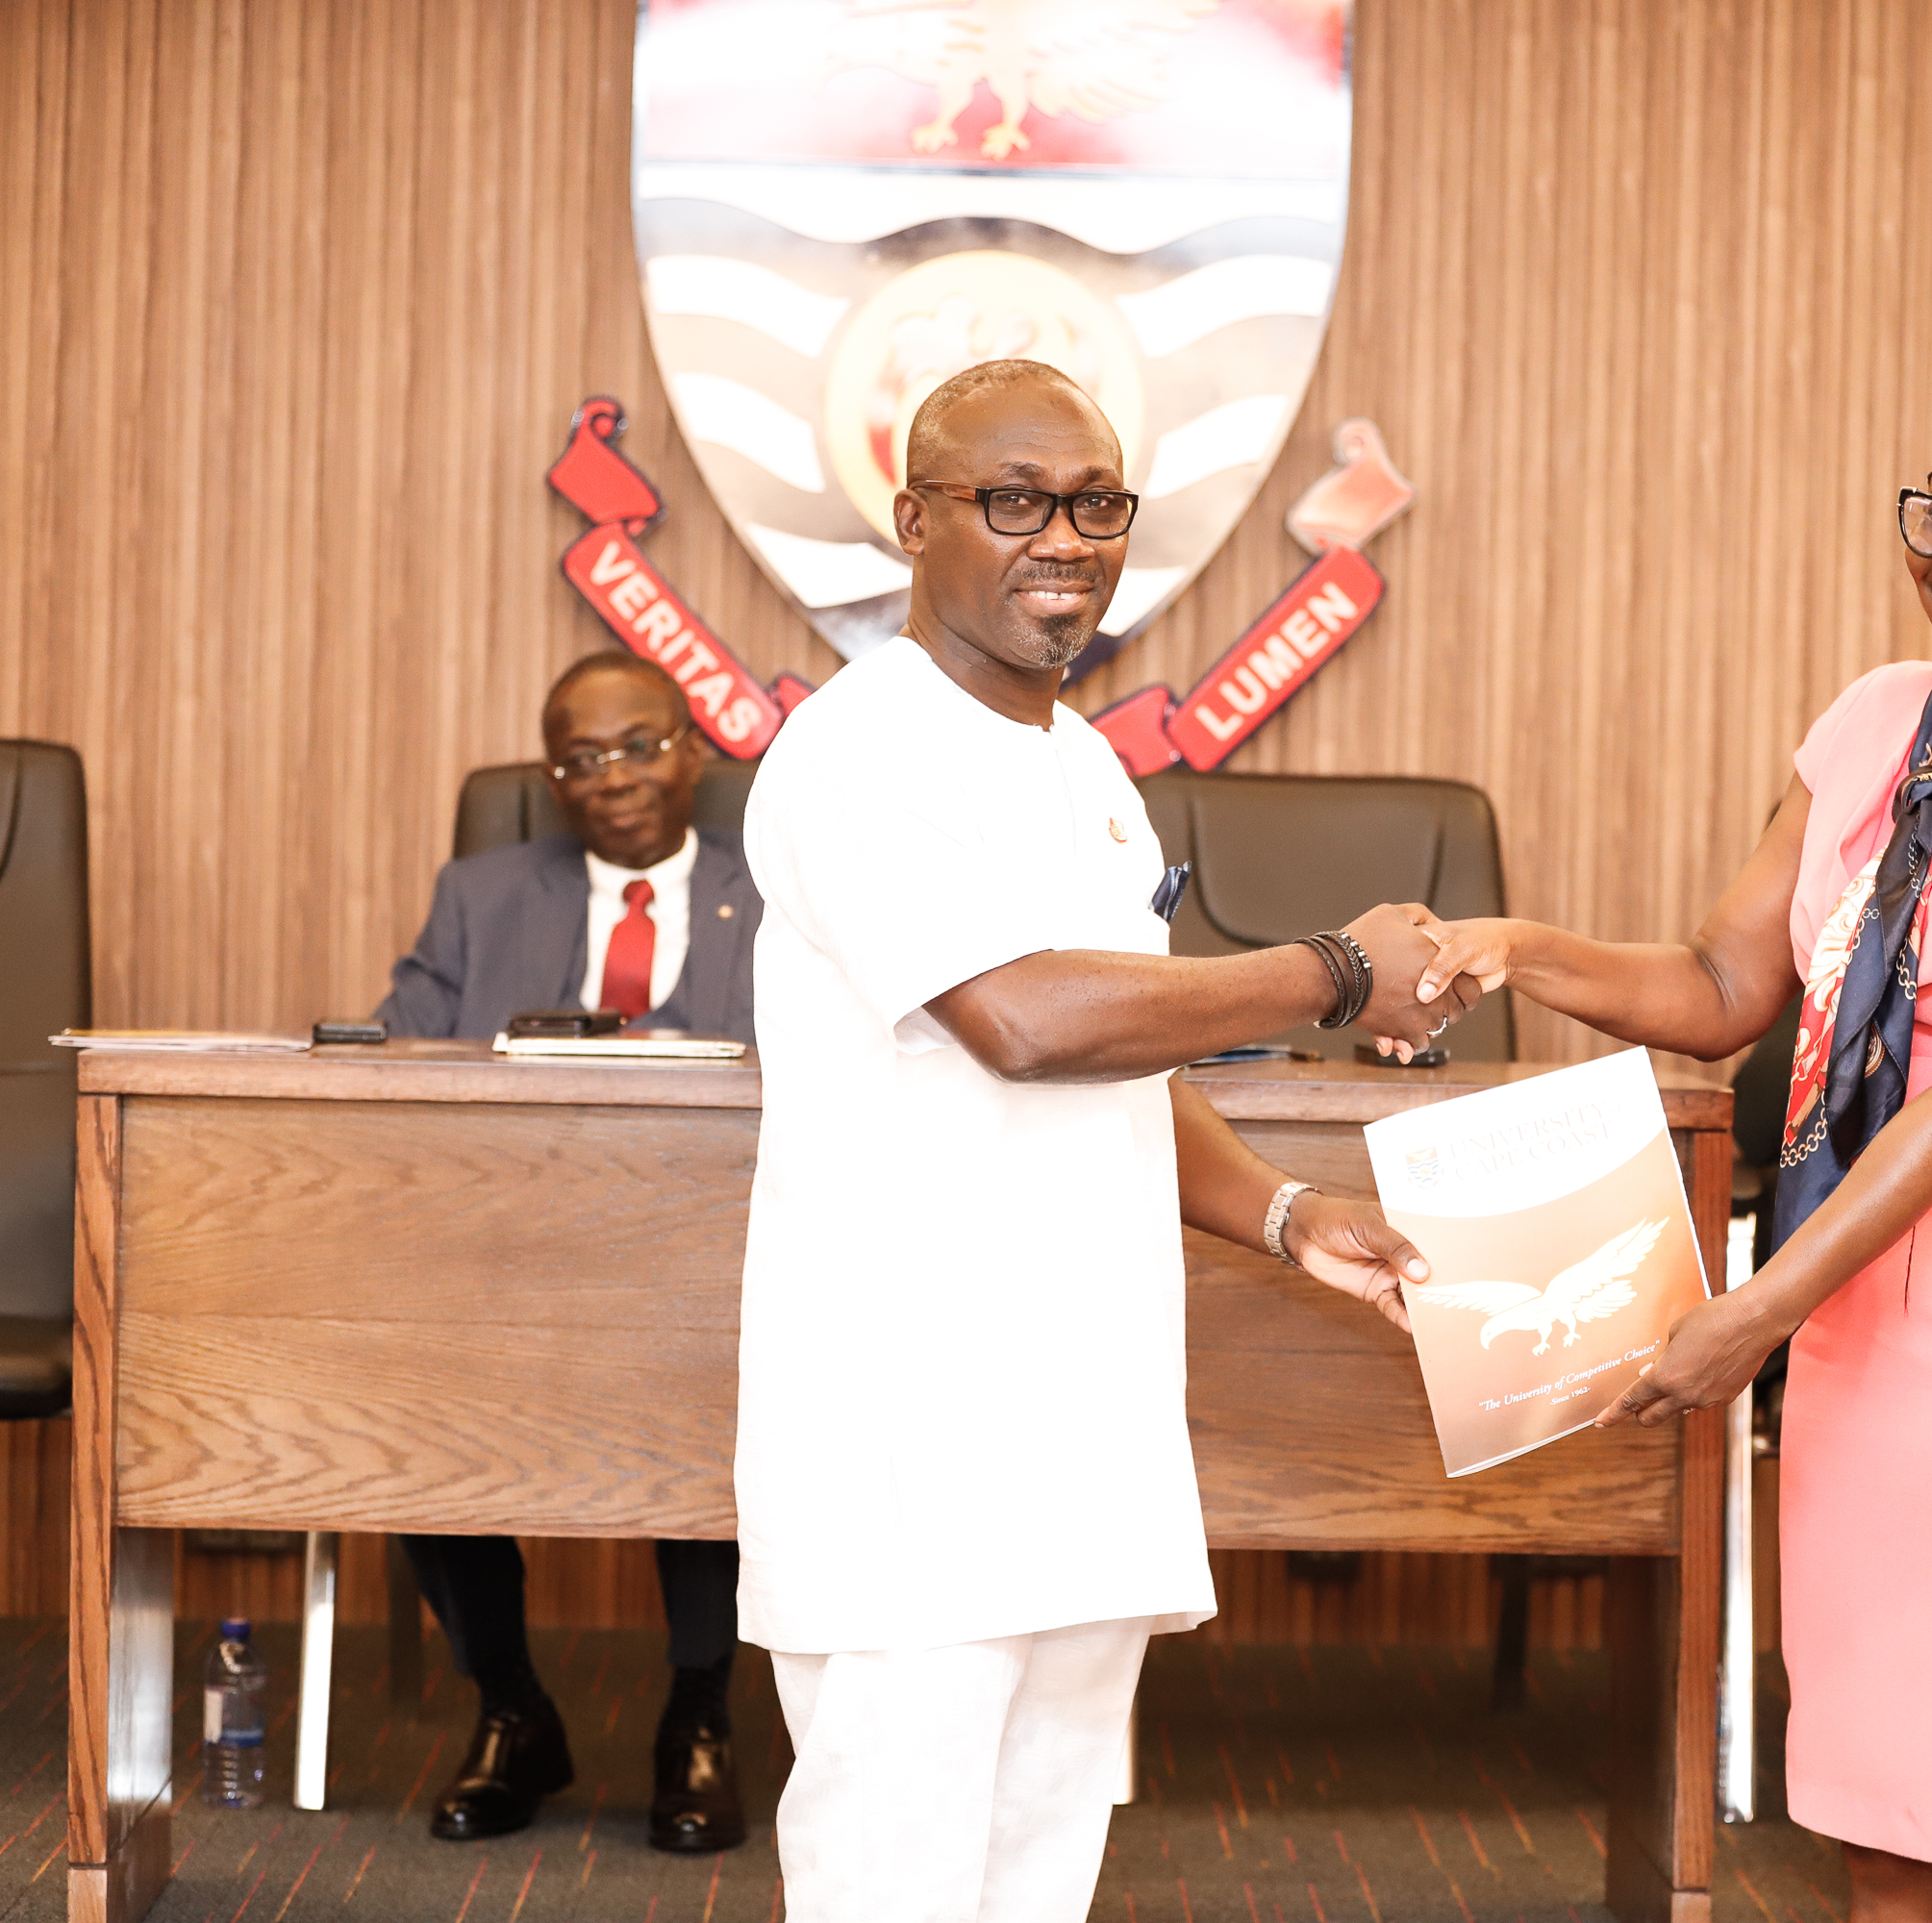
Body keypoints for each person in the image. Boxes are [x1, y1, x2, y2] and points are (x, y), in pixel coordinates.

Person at [1410, 368, 1932, 1923]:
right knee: (1886, 1829)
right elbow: (1721, 987)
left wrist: (1755, 1314)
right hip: (1864, 1330)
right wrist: (1508, 947)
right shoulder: (1874, 723)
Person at [738, 358, 1471, 1923]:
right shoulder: (859, 750)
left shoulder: (1085, 766)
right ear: (914, 520)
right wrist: (1334, 972)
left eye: (1095, 505)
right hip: (915, 1452)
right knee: (893, 1886)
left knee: (1036, 1879)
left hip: (1085, 1436)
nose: (1063, 539)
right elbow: (1022, 1019)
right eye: (1014, 501)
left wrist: (1283, 1213)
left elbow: (1118, 1057)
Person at [374, 650, 759, 1851]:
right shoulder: (481, 894)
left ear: (694, 750)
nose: (615, 777)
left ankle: (699, 1713)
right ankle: (512, 1707)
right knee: (410, 1393)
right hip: (506, 1260)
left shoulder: (780, 892)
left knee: (718, 1390)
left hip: (712, 1260)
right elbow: (392, 1061)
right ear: (554, 782)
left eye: (640, 745)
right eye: (583, 759)